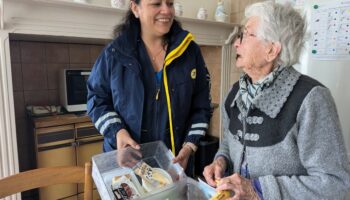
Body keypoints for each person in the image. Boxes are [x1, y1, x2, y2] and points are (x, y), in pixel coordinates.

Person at [203, 1, 350, 199]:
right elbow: (228, 146)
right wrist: (220, 161)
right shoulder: (235, 93)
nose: (237, 43)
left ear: (271, 50)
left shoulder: (311, 99)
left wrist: (258, 189)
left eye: (247, 34)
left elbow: (337, 184)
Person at [86, 0, 212, 176]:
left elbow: (201, 107)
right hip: (125, 168)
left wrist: (190, 145)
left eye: (170, 3)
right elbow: (97, 101)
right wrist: (118, 132)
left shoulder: (190, 52)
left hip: (174, 168)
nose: (166, 10)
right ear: (135, 8)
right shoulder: (114, 54)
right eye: (156, 4)